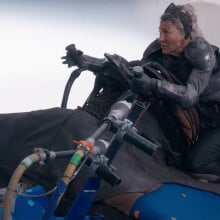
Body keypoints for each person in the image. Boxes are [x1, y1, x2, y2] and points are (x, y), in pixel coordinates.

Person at [131, 2, 220, 178]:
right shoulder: (157, 48)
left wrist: (152, 84)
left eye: (167, 32)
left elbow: (189, 96)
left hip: (215, 121)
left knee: (195, 164)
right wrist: (89, 62)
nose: (161, 38)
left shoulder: (202, 52)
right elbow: (137, 71)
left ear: (185, 34)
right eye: (160, 31)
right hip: (193, 117)